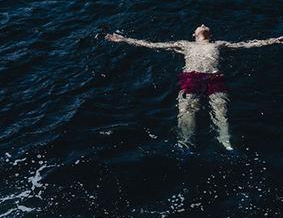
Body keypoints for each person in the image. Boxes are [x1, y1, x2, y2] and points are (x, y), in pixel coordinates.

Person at [105, 25, 282, 151]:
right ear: (194, 34)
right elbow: (154, 45)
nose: (203, 25)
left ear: (208, 34)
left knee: (221, 110)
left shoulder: (219, 44)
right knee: (188, 110)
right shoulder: (185, 45)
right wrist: (124, 39)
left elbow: (246, 44)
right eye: (200, 26)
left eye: (205, 26)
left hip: (215, 77)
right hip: (191, 77)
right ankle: (185, 142)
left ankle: (225, 141)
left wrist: (273, 40)